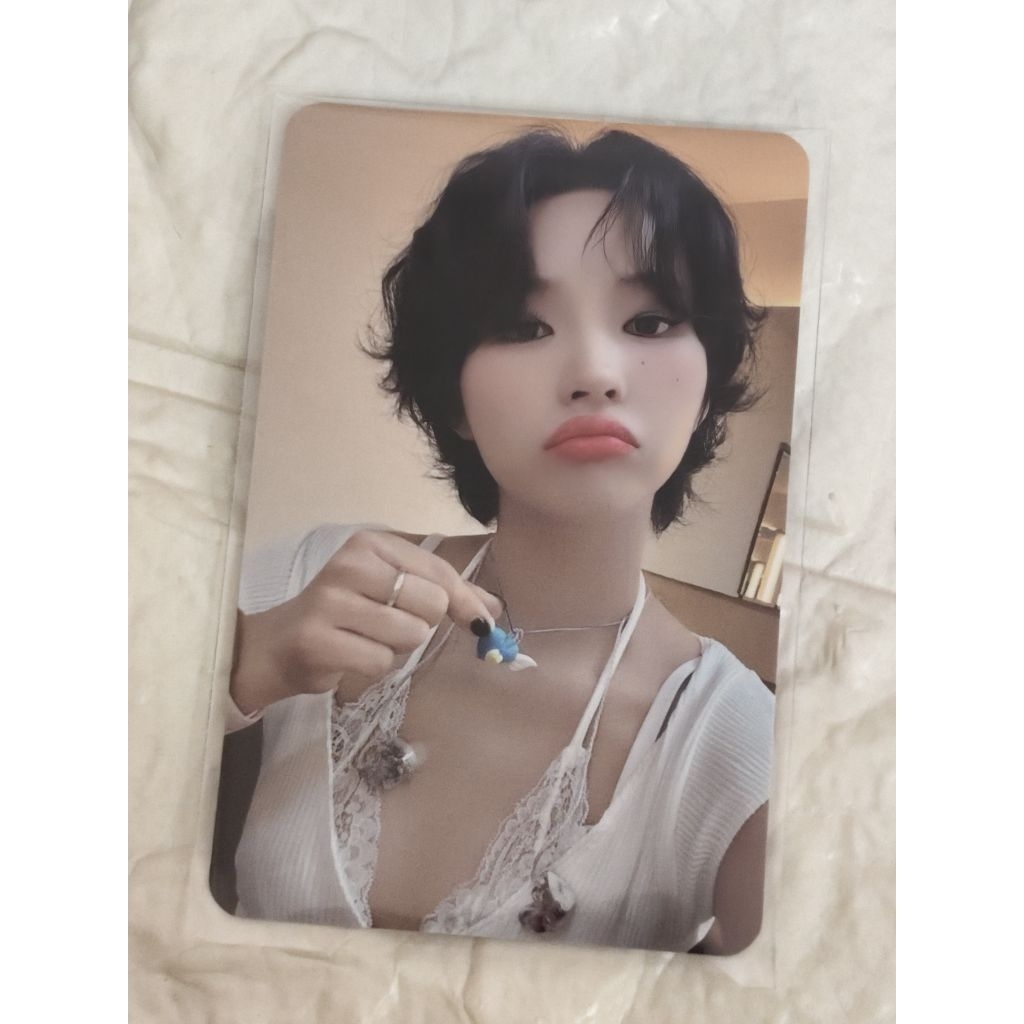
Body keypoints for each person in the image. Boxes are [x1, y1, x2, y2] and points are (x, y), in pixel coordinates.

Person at [213, 128, 774, 955]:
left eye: (649, 321)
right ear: (455, 396)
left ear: (704, 383)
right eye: (523, 326)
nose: (596, 372)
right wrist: (237, 671)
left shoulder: (732, 743)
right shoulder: (302, 578)